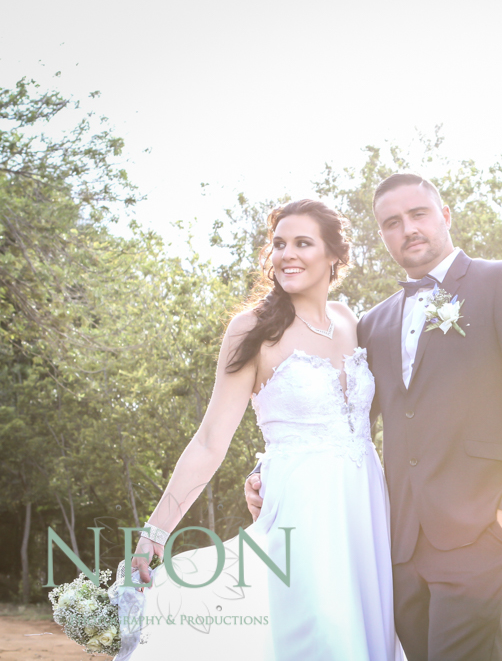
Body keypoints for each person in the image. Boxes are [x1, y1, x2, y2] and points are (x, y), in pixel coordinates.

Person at [247, 174, 502, 661]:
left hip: (485, 525)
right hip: (401, 543)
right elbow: (342, 417)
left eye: (418, 214)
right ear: (382, 235)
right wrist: (264, 468)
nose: (408, 229)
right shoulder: (374, 323)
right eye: (392, 223)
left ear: (445, 216)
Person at [129, 199, 403, 660]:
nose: (286, 254)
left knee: (368, 633)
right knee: (319, 632)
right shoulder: (251, 329)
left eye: (302, 243)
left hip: (365, 507)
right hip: (302, 509)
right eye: (279, 244)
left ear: (334, 255)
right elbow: (210, 441)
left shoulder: (349, 321)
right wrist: (156, 530)